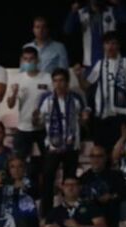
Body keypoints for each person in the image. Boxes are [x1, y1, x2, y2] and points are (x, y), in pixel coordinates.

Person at [78, 32, 126, 153]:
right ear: (103, 46)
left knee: (119, 153)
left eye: (113, 43)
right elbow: (85, 85)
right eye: (107, 43)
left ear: (118, 46)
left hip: (120, 116)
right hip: (101, 116)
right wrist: (78, 76)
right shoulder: (99, 64)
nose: (110, 46)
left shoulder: (125, 62)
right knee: (101, 152)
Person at [36, 69, 90, 214]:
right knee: (48, 181)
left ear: (67, 82)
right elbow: (38, 123)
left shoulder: (77, 97)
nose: (58, 84)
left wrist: (84, 119)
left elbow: (85, 118)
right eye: (55, 81)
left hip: (72, 146)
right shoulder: (45, 99)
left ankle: (69, 212)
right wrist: (35, 118)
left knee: (70, 182)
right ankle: (46, 215)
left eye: (61, 80)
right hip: (53, 146)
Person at [7, 46, 52, 162]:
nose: (28, 62)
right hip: (23, 128)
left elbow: (53, 101)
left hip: (43, 128)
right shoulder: (17, 79)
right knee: (18, 162)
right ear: (22, 60)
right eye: (25, 59)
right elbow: (10, 105)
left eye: (31, 59)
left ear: (37, 60)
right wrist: (14, 93)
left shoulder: (47, 78)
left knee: (49, 162)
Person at [64, 0, 126, 68]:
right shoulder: (82, 12)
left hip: (111, 57)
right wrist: (72, 12)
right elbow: (67, 30)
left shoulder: (111, 11)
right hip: (91, 60)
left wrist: (119, 4)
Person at [79, 144, 125, 227]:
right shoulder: (83, 178)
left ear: (105, 158)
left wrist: (110, 196)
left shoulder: (116, 176)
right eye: (93, 156)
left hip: (110, 215)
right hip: (89, 217)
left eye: (99, 156)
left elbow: (122, 193)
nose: (96, 159)